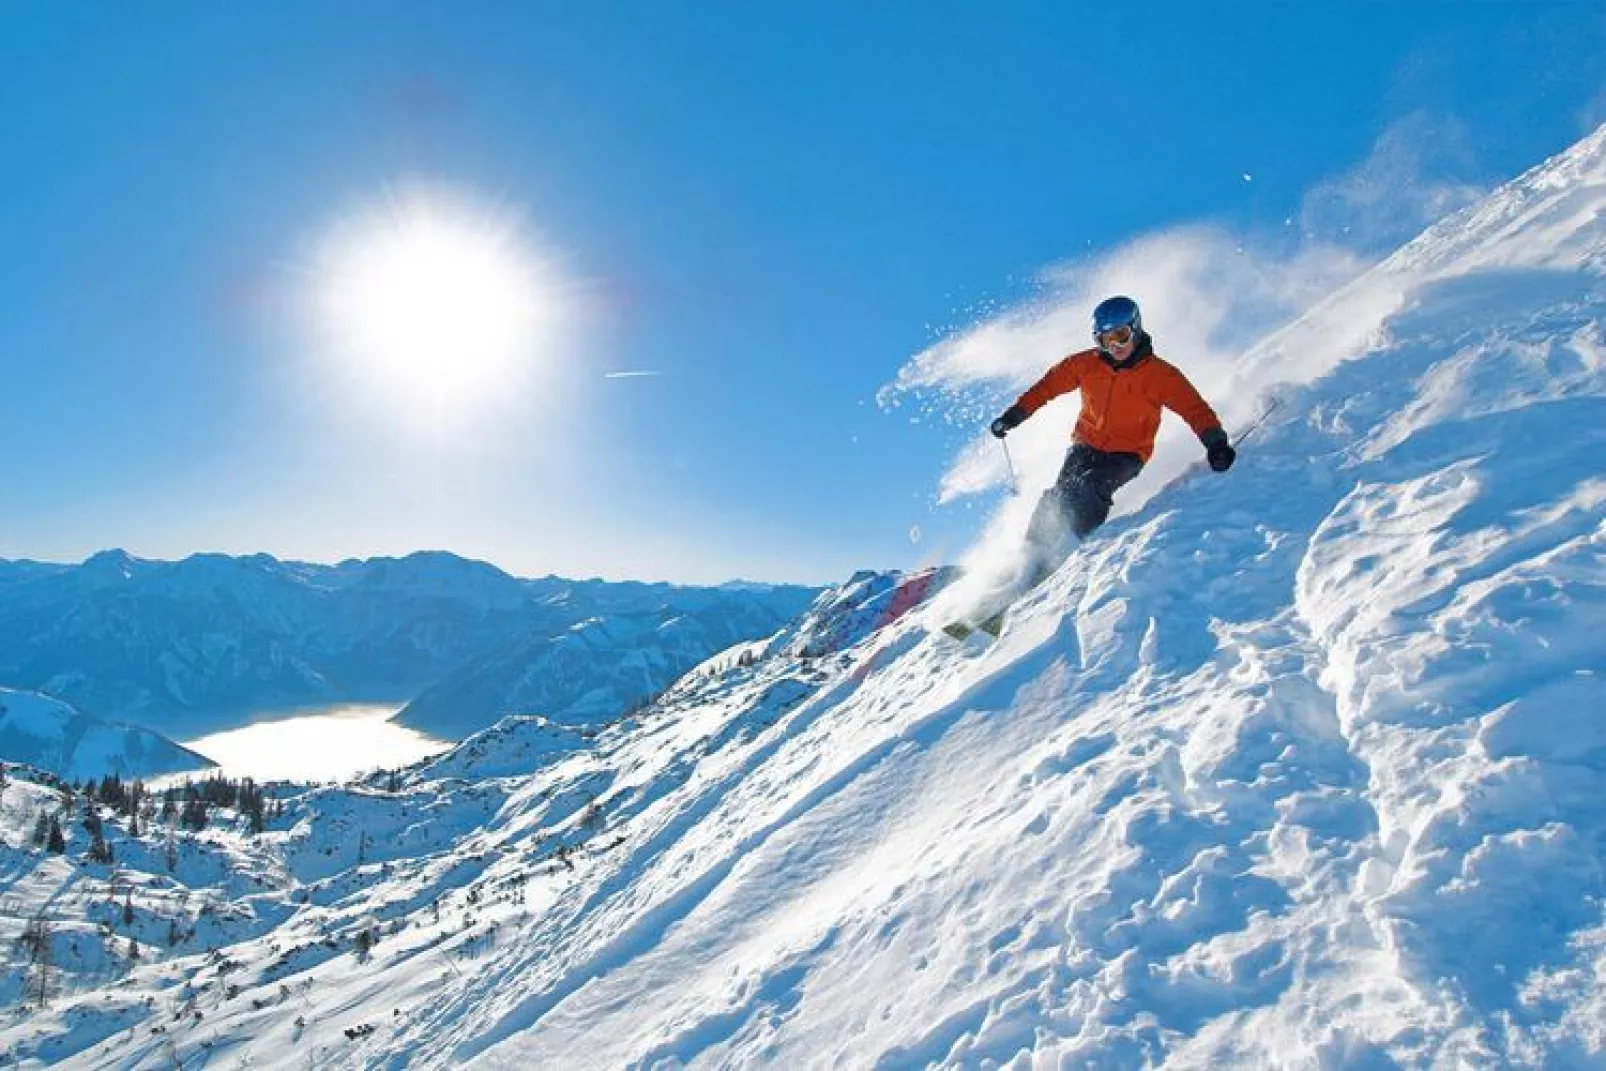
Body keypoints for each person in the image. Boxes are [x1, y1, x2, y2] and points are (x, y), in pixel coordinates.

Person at [989, 295, 1235, 584]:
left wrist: (1215, 443)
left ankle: (1068, 550)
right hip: (1085, 443)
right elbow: (1047, 388)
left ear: (1136, 329)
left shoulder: (1161, 375)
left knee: (1092, 487)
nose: (1116, 346)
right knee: (1060, 494)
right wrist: (1013, 416)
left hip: (1128, 453)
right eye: (1106, 340)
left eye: (1121, 336)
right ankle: (1030, 557)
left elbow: (1194, 409)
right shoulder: (1084, 364)